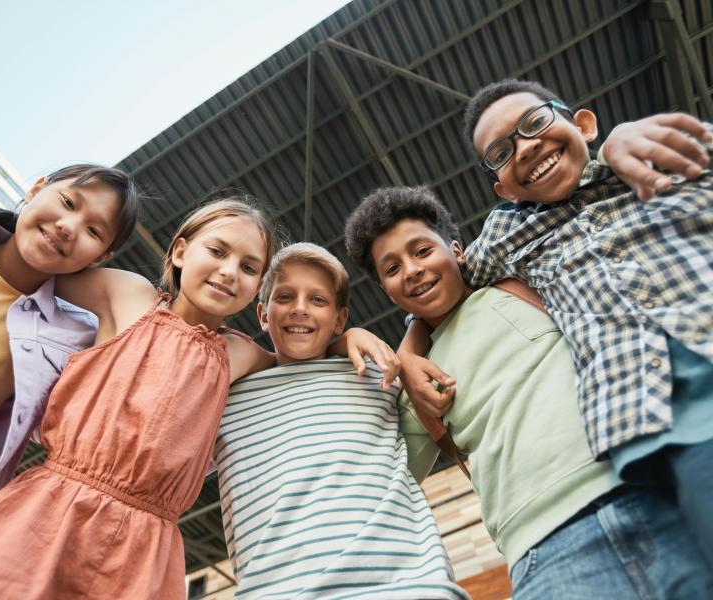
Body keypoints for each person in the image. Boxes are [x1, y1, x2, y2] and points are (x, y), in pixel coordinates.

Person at [343, 186, 713, 598]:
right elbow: (382, 475)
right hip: (544, 552)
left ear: (457, 249)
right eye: (391, 269)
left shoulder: (530, 282)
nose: (410, 270)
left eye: (422, 251)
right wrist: (355, 341)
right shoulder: (416, 381)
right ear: (386, 291)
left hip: (650, 491)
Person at [0, 196, 280, 598]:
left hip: (144, 547)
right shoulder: (129, 296)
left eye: (249, 268)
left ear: (259, 287)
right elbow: (34, 263)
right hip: (49, 507)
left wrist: (349, 336)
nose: (229, 272)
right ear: (179, 251)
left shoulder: (240, 354)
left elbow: (310, 361)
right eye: (217, 251)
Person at [462, 78, 713, 564]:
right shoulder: (506, 238)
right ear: (503, 189)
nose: (527, 147)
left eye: (535, 123)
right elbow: (436, 281)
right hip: (669, 420)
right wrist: (406, 348)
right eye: (501, 151)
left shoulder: (652, 154)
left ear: (583, 123)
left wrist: (624, 136)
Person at [213, 242, 468, 599]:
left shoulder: (377, 372)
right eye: (285, 297)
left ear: (340, 318)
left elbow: (435, 319)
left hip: (408, 586)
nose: (300, 309)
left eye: (318, 300)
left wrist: (366, 343)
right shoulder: (224, 397)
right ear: (262, 314)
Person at [0, 165, 139, 538]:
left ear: (101, 257)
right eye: (67, 202)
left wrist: (105, 289)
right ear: (35, 189)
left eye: (94, 231)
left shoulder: (69, 339)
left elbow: (89, 427)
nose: (69, 226)